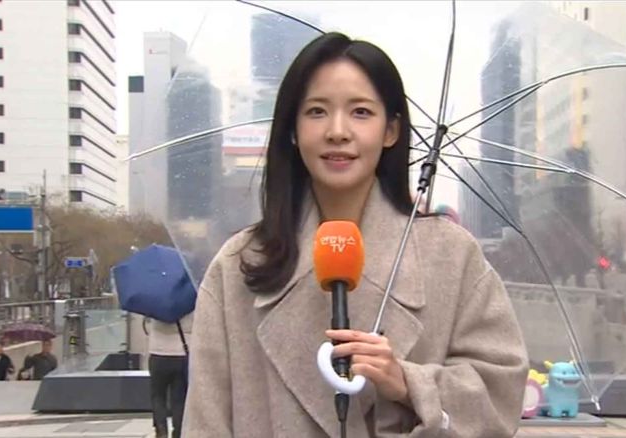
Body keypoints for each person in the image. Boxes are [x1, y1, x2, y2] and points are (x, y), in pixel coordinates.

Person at [183, 32, 528, 437]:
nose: (338, 131)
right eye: (316, 111)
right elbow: (205, 421)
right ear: (292, 130)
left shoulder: (452, 256)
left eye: (361, 112)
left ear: (390, 131)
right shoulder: (239, 265)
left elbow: (500, 394)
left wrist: (408, 383)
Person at [148, 313, 193, 438]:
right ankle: (178, 431)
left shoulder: (155, 305)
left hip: (158, 354)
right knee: (179, 398)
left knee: (158, 395)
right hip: (181, 354)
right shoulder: (188, 303)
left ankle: (161, 430)